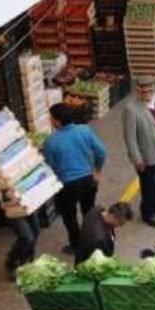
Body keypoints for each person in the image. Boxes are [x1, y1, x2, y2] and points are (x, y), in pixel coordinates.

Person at [43, 103, 107, 253]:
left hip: (67, 185)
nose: (51, 121)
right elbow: (101, 152)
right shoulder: (85, 130)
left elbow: (50, 167)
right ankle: (91, 241)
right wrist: (97, 170)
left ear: (57, 121)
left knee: (69, 215)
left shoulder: (51, 142)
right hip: (88, 180)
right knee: (89, 212)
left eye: (51, 118)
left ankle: (76, 244)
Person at [123, 76, 155, 228]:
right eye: (144, 91)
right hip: (146, 155)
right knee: (148, 185)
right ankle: (147, 213)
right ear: (137, 91)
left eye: (150, 90)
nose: (148, 93)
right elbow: (130, 138)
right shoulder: (131, 109)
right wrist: (137, 159)